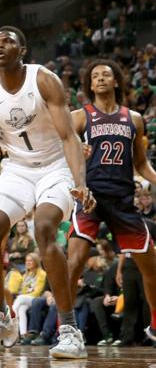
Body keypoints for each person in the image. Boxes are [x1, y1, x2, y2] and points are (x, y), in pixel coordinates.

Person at [0, 26, 95, 359]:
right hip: (16, 169)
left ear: (23, 50)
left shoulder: (43, 80)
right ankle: (1, 316)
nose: (0, 46)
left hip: (55, 165)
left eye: (8, 41)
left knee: (44, 228)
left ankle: (69, 329)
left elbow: (69, 137)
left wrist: (80, 181)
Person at [66, 59, 156, 344]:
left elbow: (141, 164)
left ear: (116, 81)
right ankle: (66, 328)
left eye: (106, 74)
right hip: (90, 198)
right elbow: (61, 151)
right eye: (95, 76)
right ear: (90, 85)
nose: (101, 78)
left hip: (122, 200)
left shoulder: (134, 118)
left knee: (150, 266)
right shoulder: (79, 117)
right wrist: (76, 156)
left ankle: (155, 325)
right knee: (75, 260)